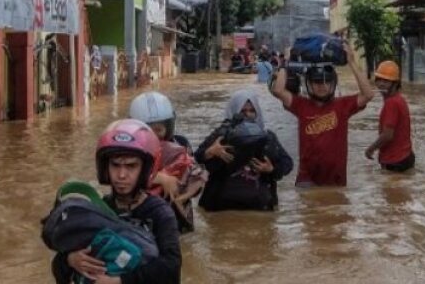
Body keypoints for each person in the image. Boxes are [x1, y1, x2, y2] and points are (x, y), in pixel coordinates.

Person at [51, 119, 181, 284]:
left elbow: (171, 269)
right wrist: (70, 260)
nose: (121, 175)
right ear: (105, 168)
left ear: (146, 169)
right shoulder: (95, 210)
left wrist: (120, 281)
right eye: (115, 165)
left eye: (131, 166)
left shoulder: (160, 213)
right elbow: (58, 266)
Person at [271, 53, 374, 187]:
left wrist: (352, 63)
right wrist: (285, 62)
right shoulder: (301, 105)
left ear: (334, 83)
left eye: (327, 81)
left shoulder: (343, 105)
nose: (322, 86)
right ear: (309, 84)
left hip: (336, 178)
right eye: (317, 82)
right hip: (307, 176)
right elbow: (278, 90)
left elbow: (368, 94)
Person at [195, 90, 292, 211]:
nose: (248, 115)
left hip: (259, 207)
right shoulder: (222, 134)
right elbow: (196, 159)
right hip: (221, 207)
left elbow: (287, 164)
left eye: (252, 111)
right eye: (243, 111)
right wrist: (210, 152)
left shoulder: (267, 137)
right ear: (234, 112)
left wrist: (271, 169)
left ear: (257, 113)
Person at [128, 91, 207, 232]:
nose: (155, 135)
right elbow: (121, 180)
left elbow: (196, 176)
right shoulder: (129, 150)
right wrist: (159, 178)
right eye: (148, 129)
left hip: (178, 218)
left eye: (159, 129)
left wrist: (182, 198)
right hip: (145, 221)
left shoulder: (181, 145)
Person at [364, 61, 414, 172]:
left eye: (386, 81)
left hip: (395, 162)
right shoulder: (399, 99)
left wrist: (370, 149)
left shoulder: (391, 103)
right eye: (379, 80)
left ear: (395, 83)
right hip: (406, 157)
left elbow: (387, 135)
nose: (381, 84)